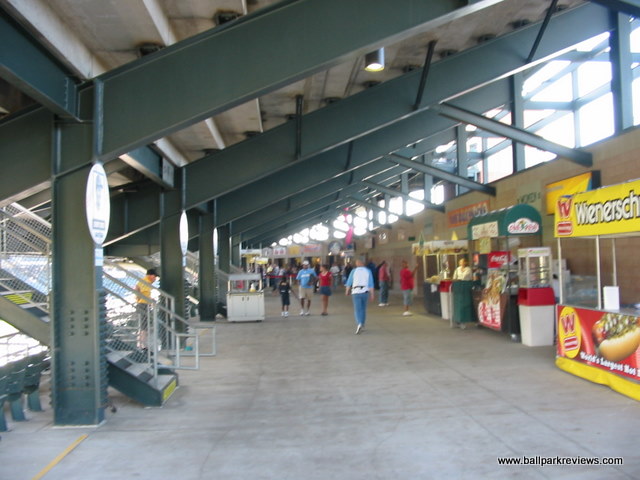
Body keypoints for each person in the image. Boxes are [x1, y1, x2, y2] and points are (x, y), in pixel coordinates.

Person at [345, 258, 375, 334]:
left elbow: (349, 282)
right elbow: (371, 284)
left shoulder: (353, 271)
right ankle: (363, 323)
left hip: (356, 292)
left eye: (356, 263)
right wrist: (372, 294)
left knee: (357, 309)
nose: (356, 264)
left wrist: (347, 291)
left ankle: (359, 323)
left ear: (359, 263)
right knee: (363, 308)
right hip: (365, 292)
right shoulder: (368, 271)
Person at [134, 268, 158, 350]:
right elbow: (144, 294)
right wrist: (152, 301)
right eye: (155, 277)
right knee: (144, 327)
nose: (155, 279)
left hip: (142, 304)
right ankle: (142, 345)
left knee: (143, 326)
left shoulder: (142, 281)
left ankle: (140, 344)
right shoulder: (146, 282)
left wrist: (138, 299)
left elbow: (137, 288)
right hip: (144, 305)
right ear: (151, 276)